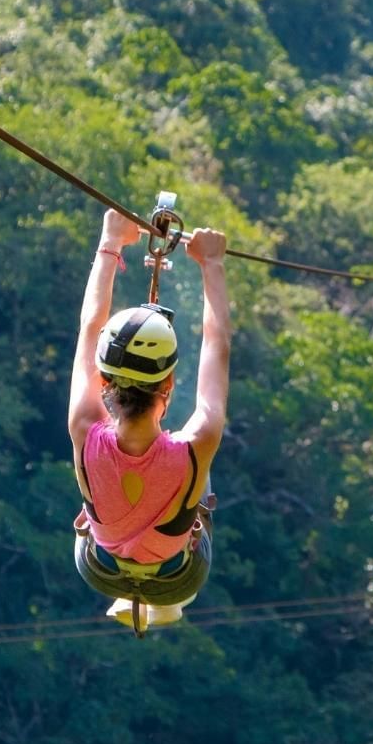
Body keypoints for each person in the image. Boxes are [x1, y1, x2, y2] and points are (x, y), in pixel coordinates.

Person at [68, 208, 231, 630]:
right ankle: (164, 597)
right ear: (170, 384)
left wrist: (110, 242)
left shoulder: (85, 426)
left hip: (98, 569)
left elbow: (91, 327)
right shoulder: (198, 441)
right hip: (178, 579)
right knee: (200, 472)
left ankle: (132, 568)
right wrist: (210, 261)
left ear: (104, 379)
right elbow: (217, 346)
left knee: (107, 473)